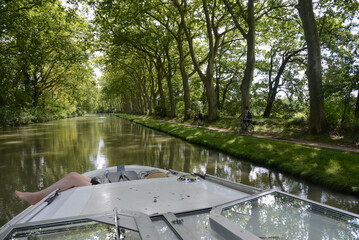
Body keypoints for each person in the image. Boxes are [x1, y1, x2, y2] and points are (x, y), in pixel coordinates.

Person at [15, 170, 167, 205]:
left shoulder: (152, 195)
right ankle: (36, 196)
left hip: (114, 194)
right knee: (73, 174)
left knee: (73, 178)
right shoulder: (152, 191)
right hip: (116, 190)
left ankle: (36, 197)